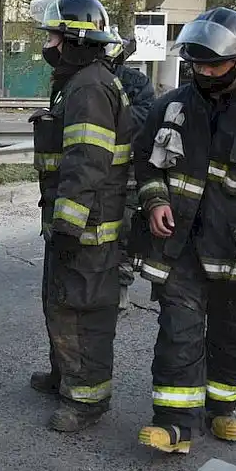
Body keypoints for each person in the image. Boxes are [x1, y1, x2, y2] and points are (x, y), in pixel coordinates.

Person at [132, 7, 236, 454]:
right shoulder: (172, 106)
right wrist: (155, 200)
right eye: (197, 64)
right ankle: (174, 424)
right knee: (179, 332)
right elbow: (145, 160)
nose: (205, 72)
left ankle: (221, 408)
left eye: (214, 64)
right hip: (182, 250)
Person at [27, 0, 132, 432]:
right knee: (59, 301)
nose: (48, 44)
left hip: (89, 227)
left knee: (83, 309)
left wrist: (67, 225)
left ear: (73, 40)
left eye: (53, 35)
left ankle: (87, 400)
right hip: (72, 223)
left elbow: (86, 161)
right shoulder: (79, 81)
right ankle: (64, 375)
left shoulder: (89, 86)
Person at [106, 37, 156, 311]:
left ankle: (121, 289)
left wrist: (107, 113)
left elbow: (143, 117)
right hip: (94, 173)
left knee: (123, 228)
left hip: (127, 172)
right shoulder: (80, 81)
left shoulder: (135, 83)